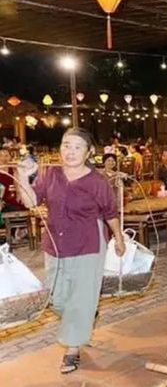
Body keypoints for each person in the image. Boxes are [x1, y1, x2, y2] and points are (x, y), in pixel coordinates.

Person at [15, 128, 125, 374]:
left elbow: (110, 212)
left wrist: (118, 239)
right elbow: (32, 202)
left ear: (88, 152)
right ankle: (87, 312)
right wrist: (22, 178)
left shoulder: (97, 181)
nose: (70, 151)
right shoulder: (51, 174)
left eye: (77, 146)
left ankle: (73, 349)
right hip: (55, 244)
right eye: (66, 145)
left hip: (88, 243)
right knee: (57, 298)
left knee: (79, 299)